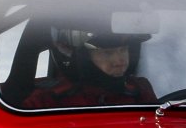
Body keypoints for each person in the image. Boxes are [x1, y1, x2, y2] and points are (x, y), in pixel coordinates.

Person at [23, 27, 156, 108]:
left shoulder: (139, 89)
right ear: (81, 58)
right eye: (107, 53)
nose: (119, 60)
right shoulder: (47, 100)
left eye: (123, 50)